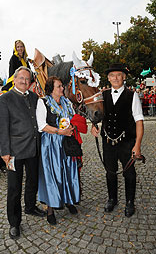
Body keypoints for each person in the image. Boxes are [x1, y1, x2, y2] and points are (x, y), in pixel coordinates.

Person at [0, 66, 46, 240]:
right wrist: (5, 152)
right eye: (21, 78)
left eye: (27, 79)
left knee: (32, 181)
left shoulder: (34, 97)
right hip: (14, 152)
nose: (24, 82)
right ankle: (14, 222)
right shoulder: (5, 99)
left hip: (33, 149)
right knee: (14, 189)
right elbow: (2, 128)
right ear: (15, 79)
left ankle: (30, 207)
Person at [91, 63, 144, 217]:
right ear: (108, 78)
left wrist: (137, 145)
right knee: (110, 173)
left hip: (127, 143)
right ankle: (112, 199)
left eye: (118, 75)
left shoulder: (132, 96)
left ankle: (129, 202)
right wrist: (94, 126)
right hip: (108, 143)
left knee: (129, 173)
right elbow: (97, 115)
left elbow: (139, 121)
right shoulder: (103, 95)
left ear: (124, 77)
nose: (115, 78)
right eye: (112, 75)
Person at [36, 76, 81, 225]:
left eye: (62, 86)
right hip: (51, 144)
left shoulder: (66, 102)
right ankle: (50, 209)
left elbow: (72, 118)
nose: (62, 88)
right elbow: (41, 125)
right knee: (52, 175)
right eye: (59, 86)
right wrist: (59, 132)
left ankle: (68, 200)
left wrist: (72, 127)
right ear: (51, 89)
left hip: (66, 142)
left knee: (68, 172)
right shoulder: (43, 102)